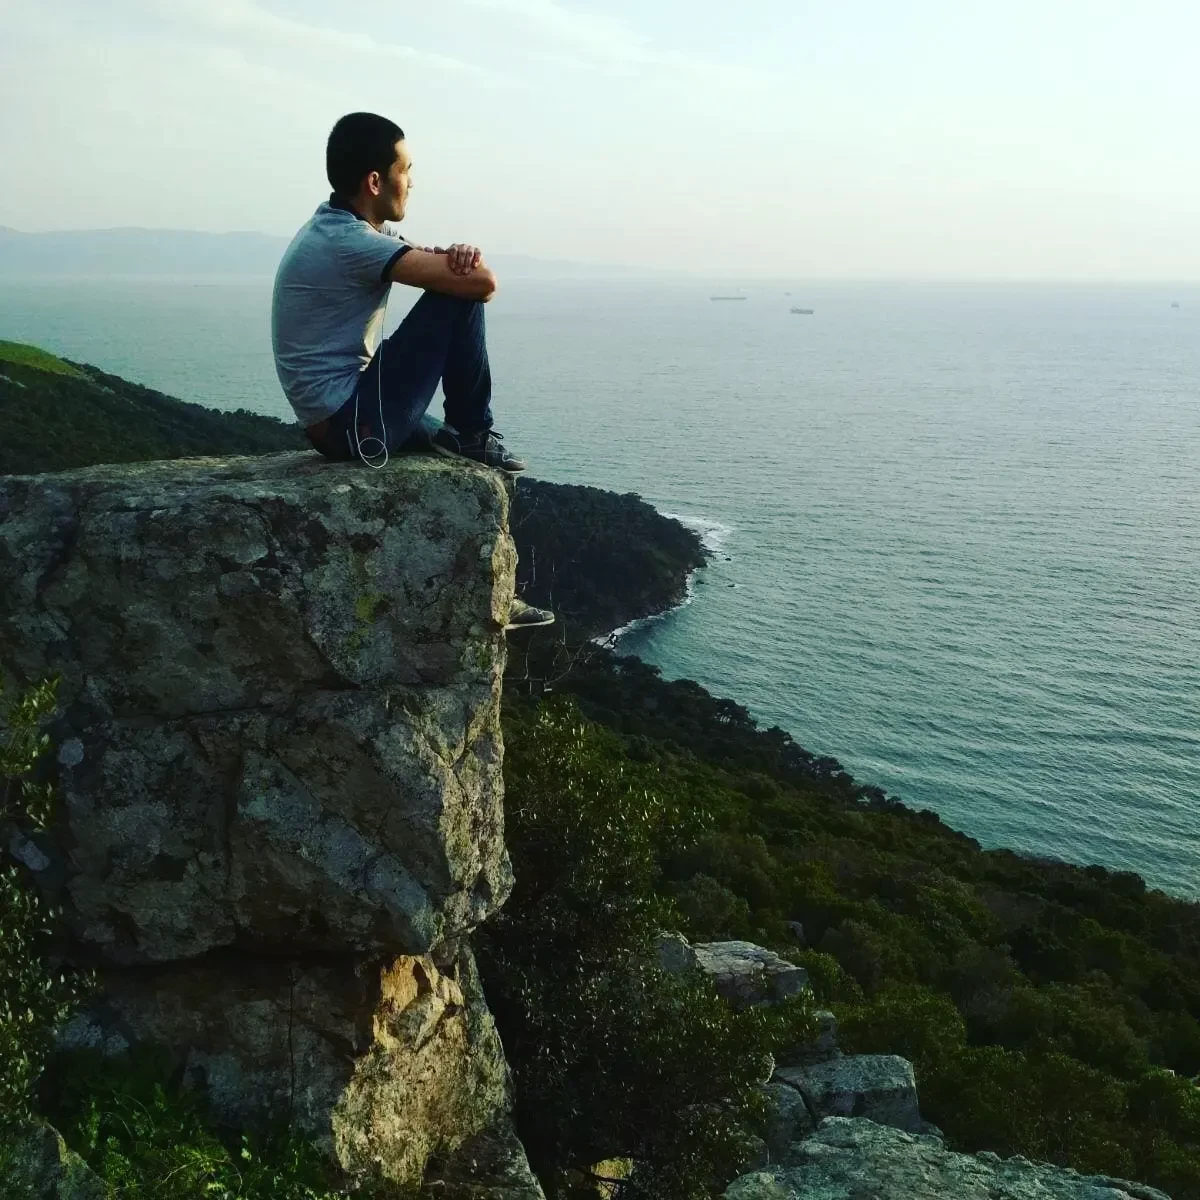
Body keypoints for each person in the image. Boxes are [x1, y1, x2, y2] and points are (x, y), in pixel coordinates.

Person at [272, 111, 552, 631]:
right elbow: (481, 284)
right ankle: (475, 429)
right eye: (405, 170)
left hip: (344, 415)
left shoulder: (337, 228)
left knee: (456, 457)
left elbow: (431, 260)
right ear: (375, 181)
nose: (412, 182)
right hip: (353, 423)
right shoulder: (349, 242)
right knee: (456, 301)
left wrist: (454, 255)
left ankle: (492, 592)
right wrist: (461, 265)